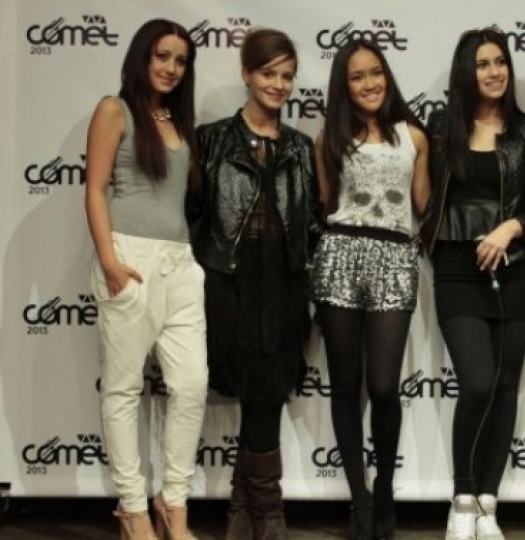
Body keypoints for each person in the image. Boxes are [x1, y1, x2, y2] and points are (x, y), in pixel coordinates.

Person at [188, 28, 323, 540]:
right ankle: (263, 512)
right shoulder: (211, 140)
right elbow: (193, 214)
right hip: (229, 280)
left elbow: (311, 222)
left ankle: (251, 510)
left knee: (268, 390)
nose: (279, 85)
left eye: (287, 76)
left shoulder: (301, 148)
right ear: (247, 73)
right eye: (269, 73)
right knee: (252, 387)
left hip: (283, 283)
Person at [85, 18, 206, 540]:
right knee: (123, 389)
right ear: (142, 56)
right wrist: (110, 262)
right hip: (129, 259)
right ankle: (133, 511)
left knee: (192, 385)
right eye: (162, 56)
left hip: (180, 265)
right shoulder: (114, 110)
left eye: (180, 61)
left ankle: (172, 504)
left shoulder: (177, 119)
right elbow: (94, 189)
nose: (171, 68)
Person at [418, 27, 525, 540]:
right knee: (476, 383)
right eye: (482, 64)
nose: (494, 72)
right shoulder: (440, 126)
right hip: (456, 270)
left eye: (500, 62)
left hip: (517, 271)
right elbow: (426, 194)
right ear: (465, 72)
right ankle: (462, 498)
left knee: (506, 386)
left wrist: (513, 227)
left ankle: (488, 503)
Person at [310, 38, 430, 540]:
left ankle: (384, 491)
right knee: (344, 385)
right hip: (339, 255)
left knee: (382, 385)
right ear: (344, 85)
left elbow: (421, 205)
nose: (369, 83)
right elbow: (325, 202)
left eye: (375, 72)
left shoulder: (413, 137)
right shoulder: (329, 139)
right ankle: (359, 499)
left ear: (387, 75)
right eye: (357, 76)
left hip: (395, 258)